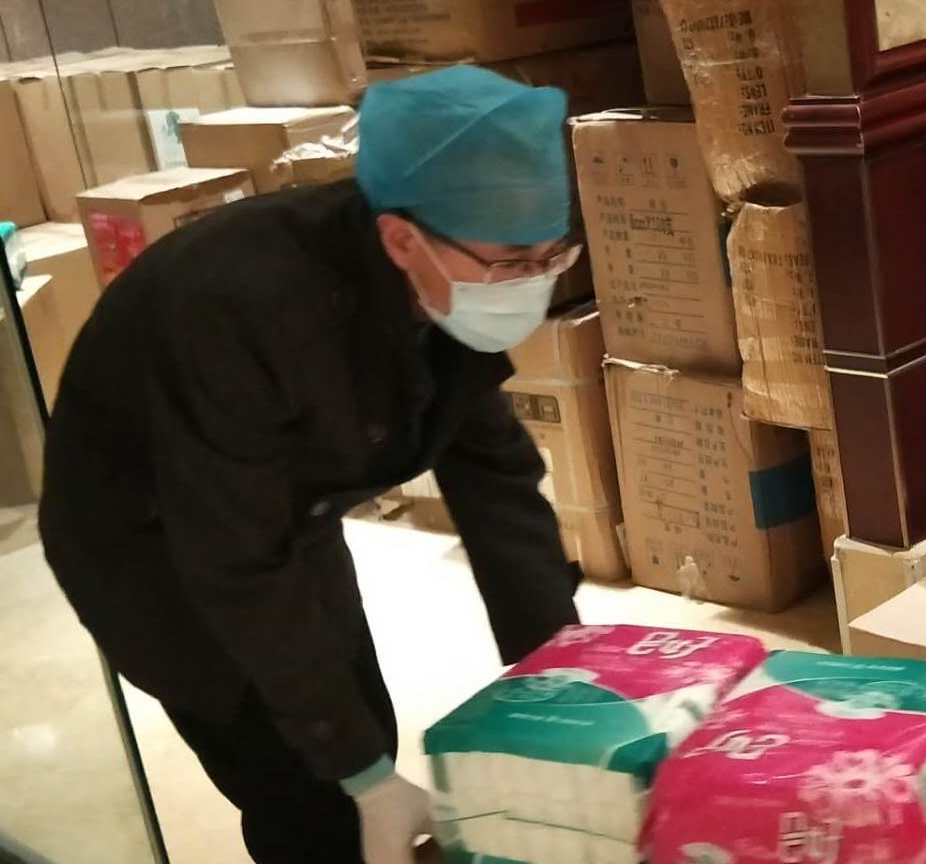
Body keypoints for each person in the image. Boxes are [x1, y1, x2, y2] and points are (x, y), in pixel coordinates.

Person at [39, 66, 583, 864]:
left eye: (552, 255)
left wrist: (556, 668)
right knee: (302, 783)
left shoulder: (439, 276)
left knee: (356, 713)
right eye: (511, 263)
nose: (531, 282)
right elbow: (237, 560)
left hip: (285, 506)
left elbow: (493, 473)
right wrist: (362, 774)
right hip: (154, 546)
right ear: (401, 239)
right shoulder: (239, 304)